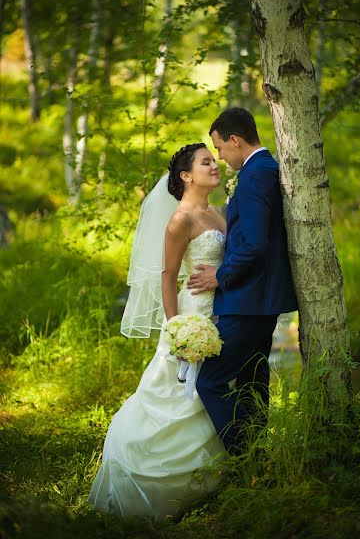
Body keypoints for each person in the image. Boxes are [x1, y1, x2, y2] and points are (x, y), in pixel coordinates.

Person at [88, 143, 227, 519]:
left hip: (221, 311)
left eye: (214, 160)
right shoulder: (180, 219)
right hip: (191, 314)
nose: (215, 165)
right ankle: (152, 478)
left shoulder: (216, 213)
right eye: (206, 162)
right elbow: (167, 276)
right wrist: (177, 327)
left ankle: (212, 477)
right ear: (186, 176)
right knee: (178, 389)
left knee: (212, 388)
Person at [188, 107, 298, 454]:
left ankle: (245, 452)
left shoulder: (253, 176)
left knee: (211, 381)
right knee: (253, 378)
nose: (219, 157)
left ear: (234, 140)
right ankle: (256, 451)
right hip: (260, 299)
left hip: (248, 300)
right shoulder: (265, 169)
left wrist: (221, 276)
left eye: (219, 148)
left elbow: (252, 245)